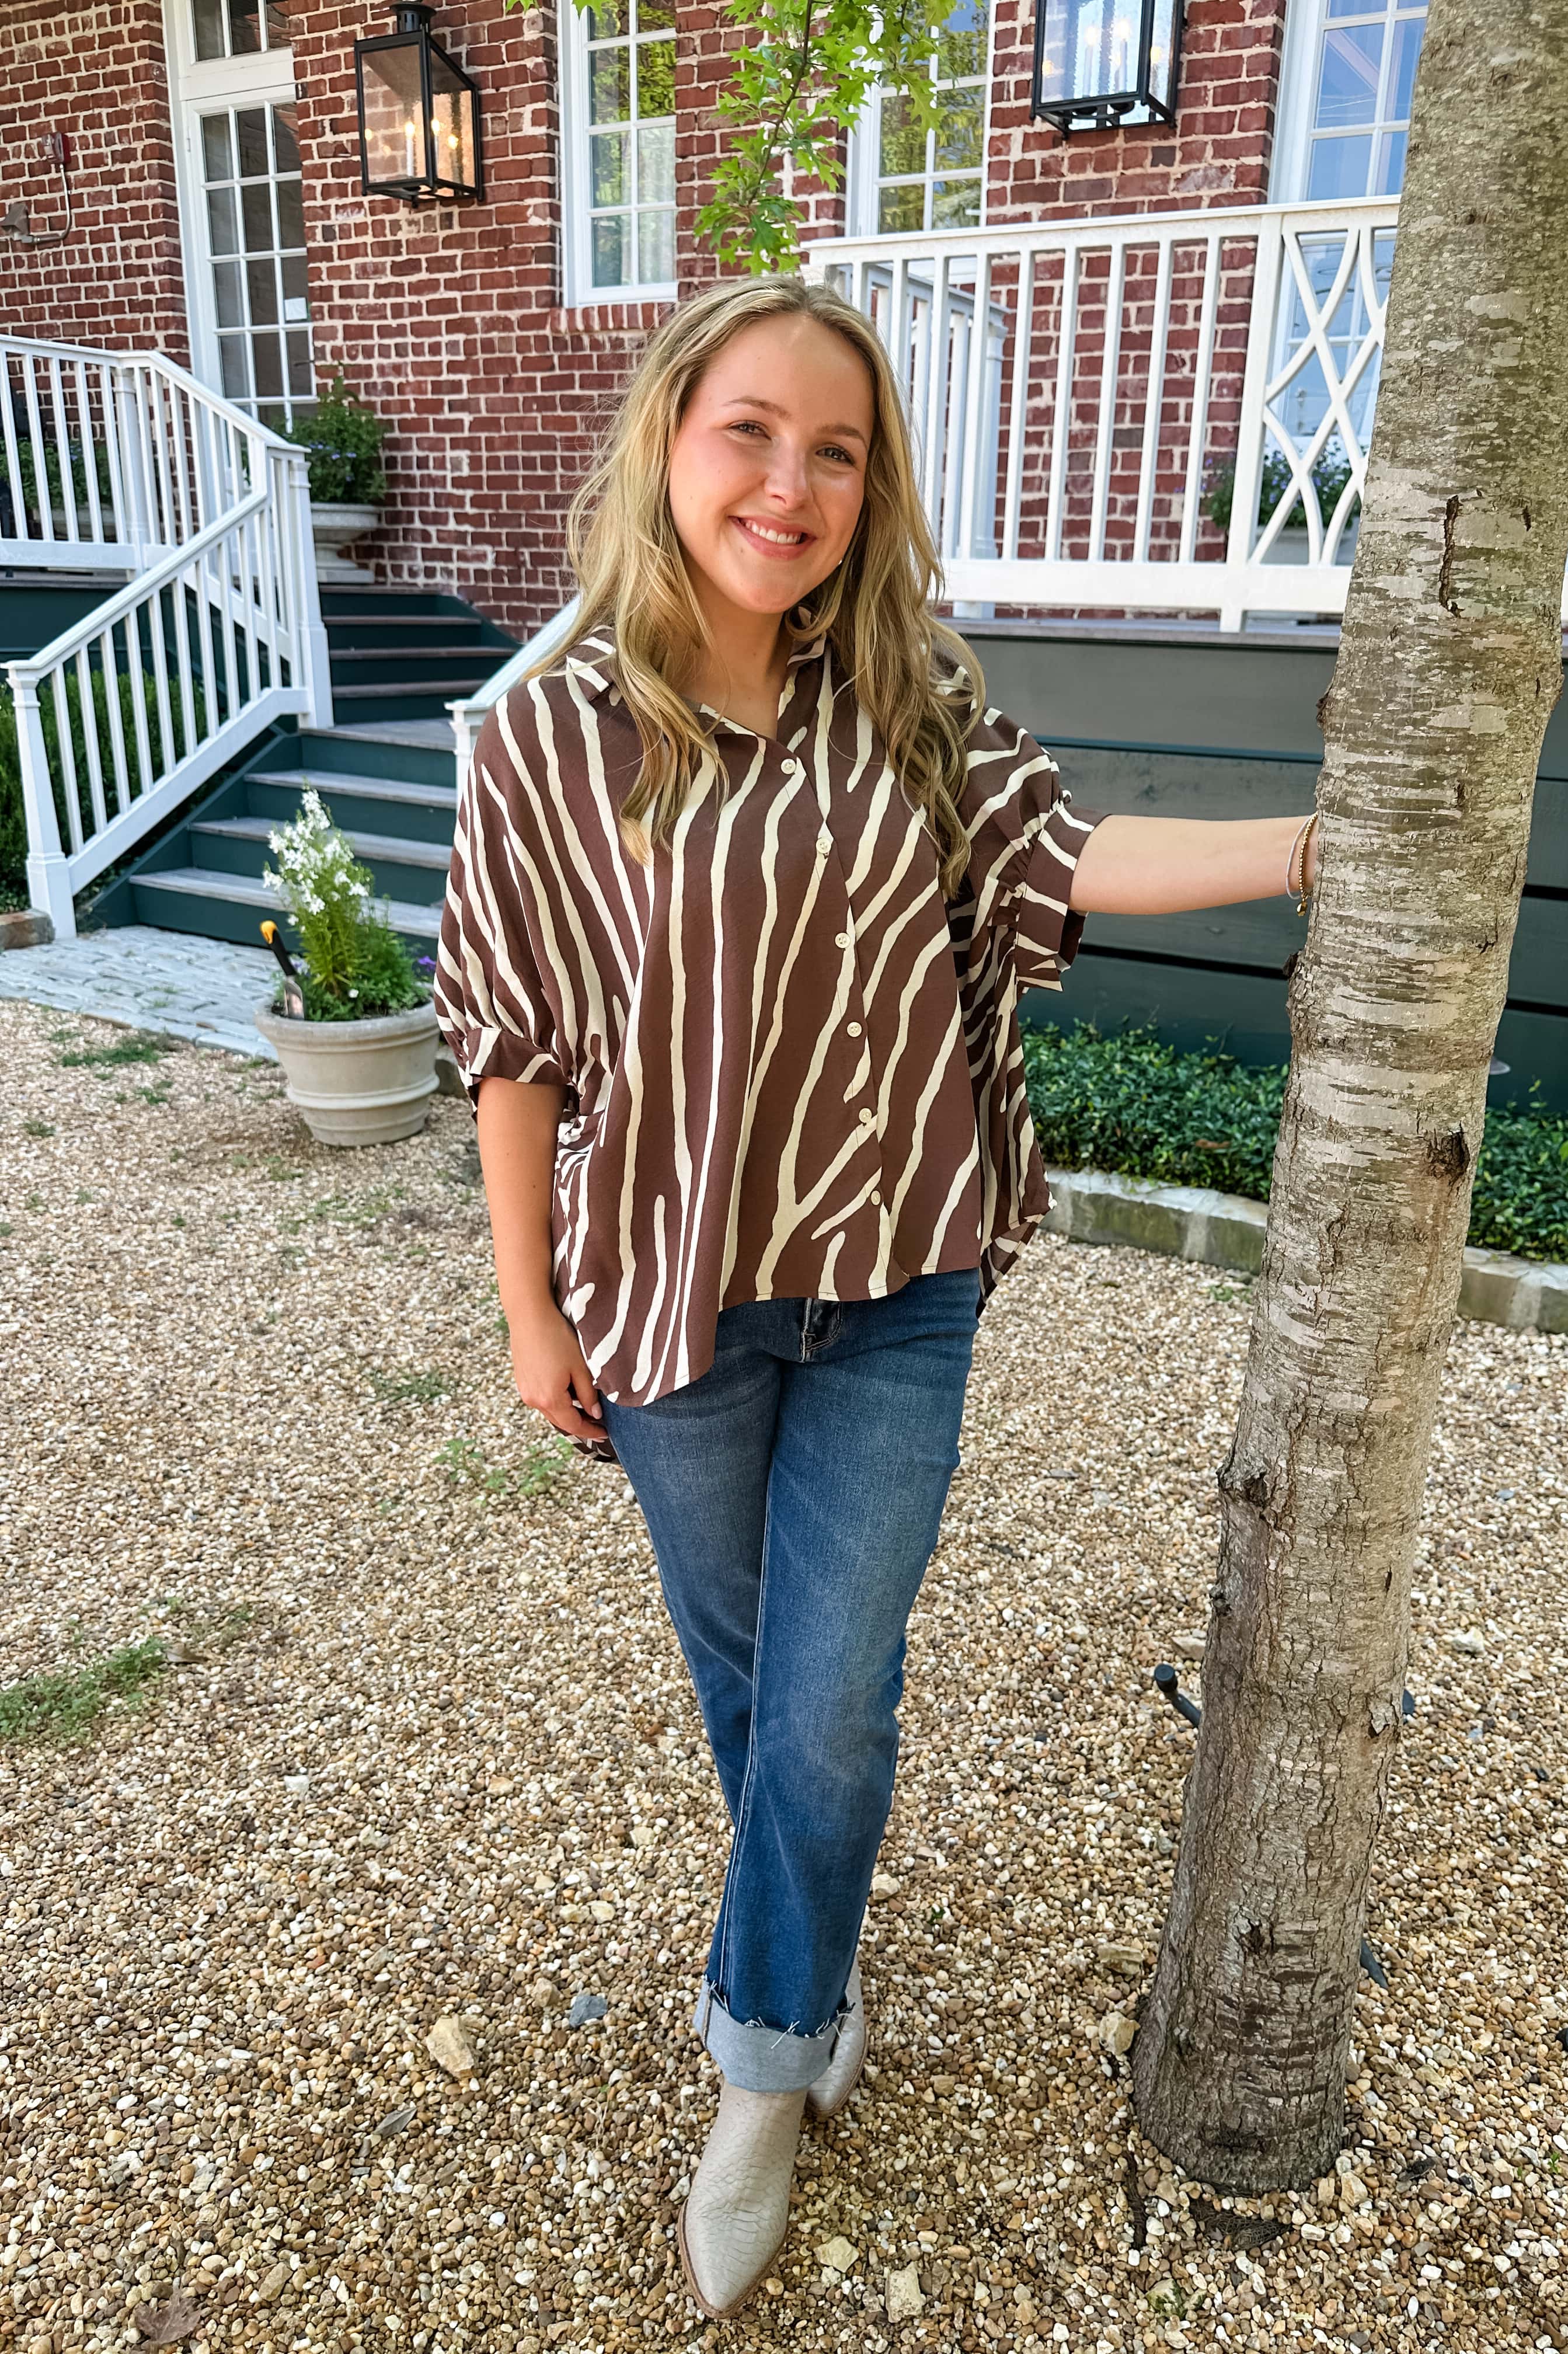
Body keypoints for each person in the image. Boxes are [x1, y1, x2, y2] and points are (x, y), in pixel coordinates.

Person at [434, 273, 1321, 2322]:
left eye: (837, 448)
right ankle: (807, 1969)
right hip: (670, 1291)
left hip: (901, 1270)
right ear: (673, 438)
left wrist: (1322, 839)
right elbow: (512, 1046)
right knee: (765, 1709)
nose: (793, 481)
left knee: (825, 1699)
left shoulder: (908, 695)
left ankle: (759, 2069)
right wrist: (526, 1312)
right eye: (753, 430)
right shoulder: (547, 737)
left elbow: (1069, 859)